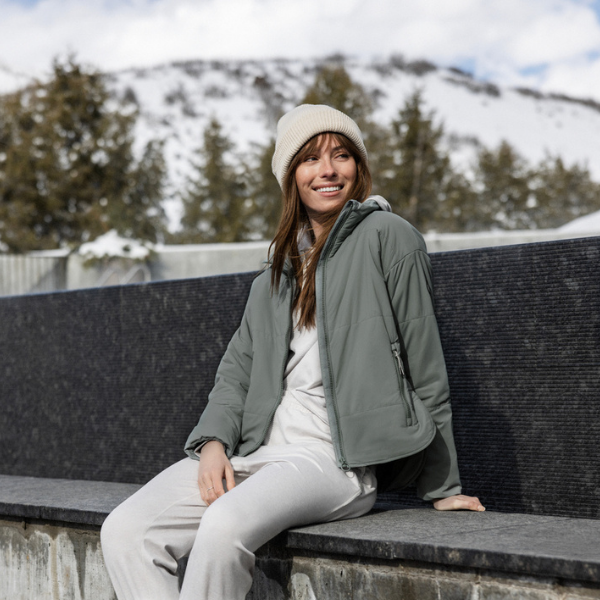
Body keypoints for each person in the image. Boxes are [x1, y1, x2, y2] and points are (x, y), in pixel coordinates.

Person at [100, 104, 484, 600]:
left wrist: (443, 486)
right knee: (126, 530)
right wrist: (214, 444)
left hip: (335, 462)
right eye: (311, 160)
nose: (328, 170)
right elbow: (236, 372)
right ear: (291, 177)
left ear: (358, 167)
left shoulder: (390, 238)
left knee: (222, 526)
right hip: (258, 453)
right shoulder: (276, 275)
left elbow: (424, 361)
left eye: (341, 155)